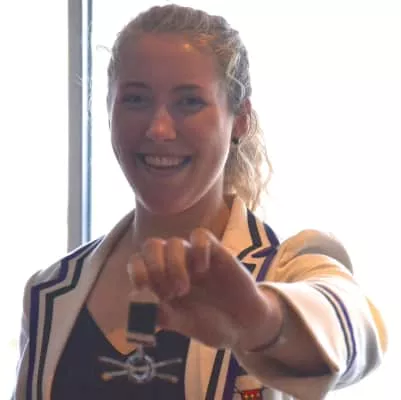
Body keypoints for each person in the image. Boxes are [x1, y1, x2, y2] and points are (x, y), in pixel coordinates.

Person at [13, 4, 387, 400]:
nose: (158, 129)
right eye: (136, 99)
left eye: (189, 102)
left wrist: (260, 320)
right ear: (108, 110)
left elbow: (356, 328)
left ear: (240, 119)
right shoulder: (50, 292)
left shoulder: (284, 267)